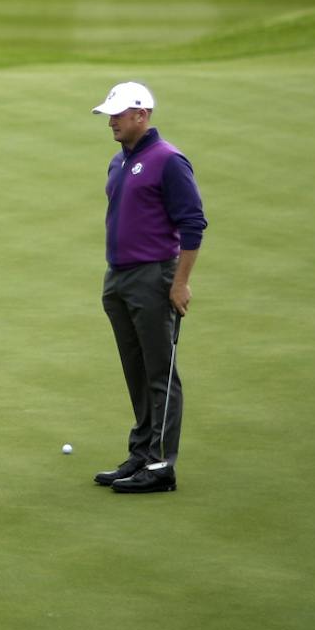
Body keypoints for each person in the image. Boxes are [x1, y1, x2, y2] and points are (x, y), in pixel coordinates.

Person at [89, 82, 207, 494]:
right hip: (118, 277)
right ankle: (141, 452)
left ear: (143, 114)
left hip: (154, 276)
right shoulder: (118, 163)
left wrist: (181, 283)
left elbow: (193, 223)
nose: (112, 121)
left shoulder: (168, 161)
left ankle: (160, 466)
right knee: (136, 371)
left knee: (160, 373)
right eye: (110, 114)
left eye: (119, 114)